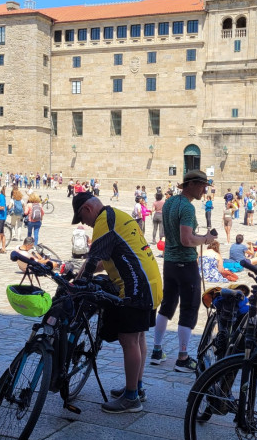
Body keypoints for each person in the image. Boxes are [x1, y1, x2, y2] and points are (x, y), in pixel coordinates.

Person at [71, 191, 162, 413]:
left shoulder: (104, 222)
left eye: (83, 220)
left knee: (128, 339)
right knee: (138, 337)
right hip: (151, 284)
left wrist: (76, 286)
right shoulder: (116, 215)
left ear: (87, 209)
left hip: (136, 288)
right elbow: (106, 259)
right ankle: (136, 388)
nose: (86, 224)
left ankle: (131, 398)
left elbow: (93, 262)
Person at [153, 170, 217, 373]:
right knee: (189, 308)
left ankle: (156, 350)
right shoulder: (187, 208)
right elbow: (186, 240)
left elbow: (180, 234)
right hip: (185, 264)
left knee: (167, 304)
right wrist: (206, 239)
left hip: (170, 262)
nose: (204, 190)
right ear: (191, 185)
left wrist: (200, 236)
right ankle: (182, 357)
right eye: (202, 186)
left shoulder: (170, 202)